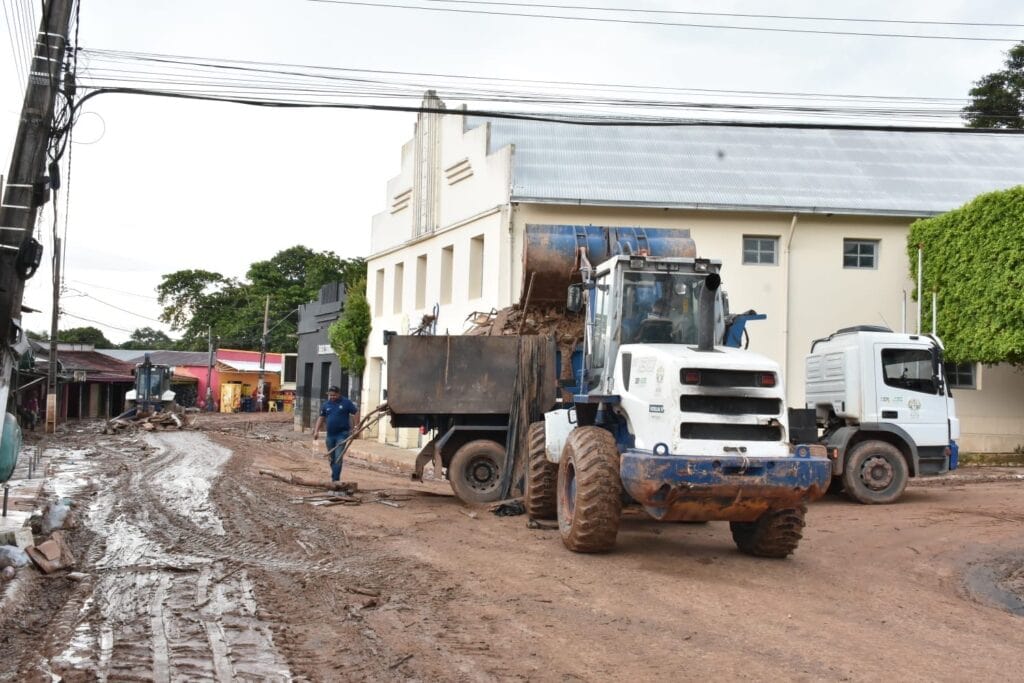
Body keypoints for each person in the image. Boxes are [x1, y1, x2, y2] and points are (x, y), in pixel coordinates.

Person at [312, 385, 358, 484]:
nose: (332, 397)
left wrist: (356, 427)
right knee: (331, 458)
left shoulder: (346, 403)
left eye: (334, 395)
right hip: (330, 435)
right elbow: (321, 418)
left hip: (342, 434)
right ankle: (335, 476)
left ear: (338, 394)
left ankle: (335, 480)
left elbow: (355, 413)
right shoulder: (326, 405)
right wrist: (316, 431)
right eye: (330, 395)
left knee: (338, 457)